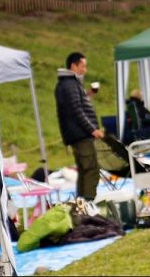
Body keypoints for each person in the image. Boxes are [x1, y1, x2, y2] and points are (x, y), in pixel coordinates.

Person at [55, 52, 103, 201]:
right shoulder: (69, 84)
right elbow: (76, 110)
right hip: (81, 135)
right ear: (73, 65)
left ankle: (82, 204)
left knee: (84, 170)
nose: (84, 70)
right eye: (83, 66)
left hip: (78, 134)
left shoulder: (70, 83)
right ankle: (87, 204)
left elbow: (77, 104)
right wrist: (92, 129)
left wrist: (89, 94)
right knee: (91, 170)